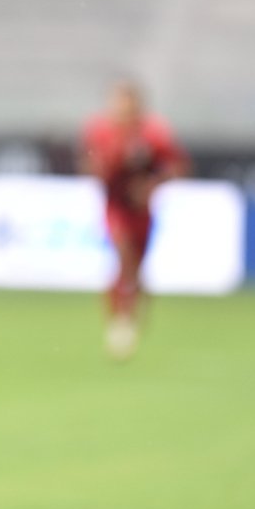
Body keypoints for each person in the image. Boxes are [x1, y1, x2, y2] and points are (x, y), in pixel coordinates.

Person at [80, 81, 188, 360]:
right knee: (123, 257)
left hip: (142, 211)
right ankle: (118, 324)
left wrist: (151, 185)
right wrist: (111, 164)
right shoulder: (101, 130)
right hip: (115, 207)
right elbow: (91, 165)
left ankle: (130, 313)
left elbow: (177, 165)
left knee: (135, 267)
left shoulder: (154, 132)